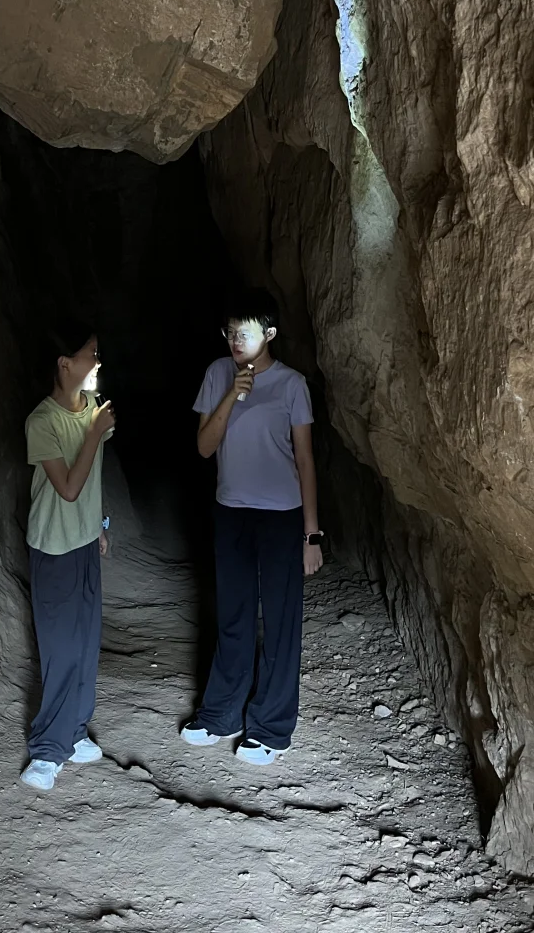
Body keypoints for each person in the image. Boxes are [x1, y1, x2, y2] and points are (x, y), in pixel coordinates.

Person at [181, 294, 323, 765]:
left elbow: (304, 460)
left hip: (281, 515)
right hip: (231, 511)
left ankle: (271, 728)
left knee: (280, 624)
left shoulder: (292, 385)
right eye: (230, 332)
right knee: (234, 618)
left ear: (270, 334)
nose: (235, 340)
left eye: (245, 332)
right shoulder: (217, 374)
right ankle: (221, 715)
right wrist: (232, 394)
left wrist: (311, 534)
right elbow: (204, 447)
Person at [19, 322, 116, 791]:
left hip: (82, 543)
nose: (97, 361)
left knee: (84, 644)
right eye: (89, 353)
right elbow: (70, 488)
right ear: (64, 364)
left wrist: (100, 525)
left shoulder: (92, 409)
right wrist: (95, 433)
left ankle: (74, 733)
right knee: (60, 651)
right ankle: (46, 752)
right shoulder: (43, 421)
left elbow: (93, 483)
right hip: (54, 548)